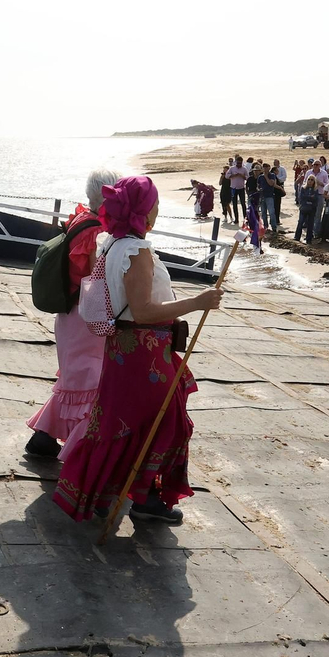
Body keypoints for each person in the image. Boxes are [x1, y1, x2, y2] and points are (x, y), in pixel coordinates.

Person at [52, 176, 224, 525]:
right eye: (154, 204)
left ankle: (107, 493)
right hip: (145, 352)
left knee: (121, 423)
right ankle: (147, 501)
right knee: (165, 422)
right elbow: (143, 311)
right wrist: (198, 302)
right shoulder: (136, 250)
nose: (157, 209)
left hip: (123, 350)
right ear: (142, 211)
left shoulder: (112, 244)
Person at [24, 168, 118, 458]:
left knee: (75, 380)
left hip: (69, 312)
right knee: (89, 381)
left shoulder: (80, 218)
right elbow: (95, 278)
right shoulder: (95, 231)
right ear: (109, 196)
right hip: (85, 314)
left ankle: (44, 437)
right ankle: (82, 451)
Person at [295, 175, 321, 243]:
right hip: (304, 208)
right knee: (300, 222)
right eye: (309, 179)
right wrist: (310, 197)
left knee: (310, 224)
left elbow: (315, 199)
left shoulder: (315, 190)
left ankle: (308, 239)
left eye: (312, 180)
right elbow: (301, 198)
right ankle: (297, 237)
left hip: (312, 209)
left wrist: (308, 198)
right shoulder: (303, 188)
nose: (310, 181)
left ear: (314, 181)